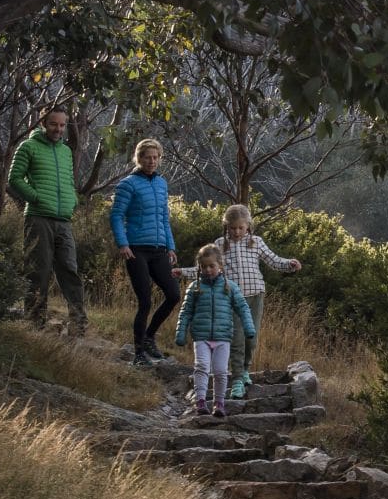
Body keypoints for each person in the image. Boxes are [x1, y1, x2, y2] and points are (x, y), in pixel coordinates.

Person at [174, 204, 300, 398]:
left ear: (248, 226)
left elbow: (274, 260)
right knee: (237, 340)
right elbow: (205, 267)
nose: (237, 231)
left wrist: (290, 264)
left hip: (255, 296)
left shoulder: (256, 242)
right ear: (227, 226)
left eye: (241, 228)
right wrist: (182, 272)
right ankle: (238, 379)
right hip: (231, 297)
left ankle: (245, 369)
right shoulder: (220, 244)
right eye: (233, 228)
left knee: (252, 339)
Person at [8, 106, 86, 336]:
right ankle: (34, 323)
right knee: (38, 272)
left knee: (70, 270)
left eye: (62, 125)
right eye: (54, 124)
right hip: (38, 218)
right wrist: (37, 198)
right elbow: (15, 179)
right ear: (43, 123)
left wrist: (72, 200)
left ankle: (78, 324)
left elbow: (70, 182)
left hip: (64, 220)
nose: (58, 129)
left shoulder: (65, 151)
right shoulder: (28, 147)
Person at [109, 138, 178, 365]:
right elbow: (117, 216)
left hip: (159, 249)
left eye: (156, 157)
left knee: (173, 294)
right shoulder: (127, 184)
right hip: (136, 249)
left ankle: (149, 337)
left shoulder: (161, 184)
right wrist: (123, 244)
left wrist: (171, 246)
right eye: (147, 157)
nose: (152, 161)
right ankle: (139, 354)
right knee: (145, 302)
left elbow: (163, 218)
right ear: (138, 158)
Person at [174, 245, 255, 417]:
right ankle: (201, 402)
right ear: (200, 267)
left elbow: (243, 308)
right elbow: (186, 311)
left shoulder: (230, 287)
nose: (208, 270)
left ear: (220, 265)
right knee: (202, 366)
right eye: (204, 266)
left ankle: (219, 404)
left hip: (223, 337)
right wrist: (181, 332)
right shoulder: (195, 287)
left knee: (220, 371)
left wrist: (249, 328)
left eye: (212, 266)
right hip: (201, 336)